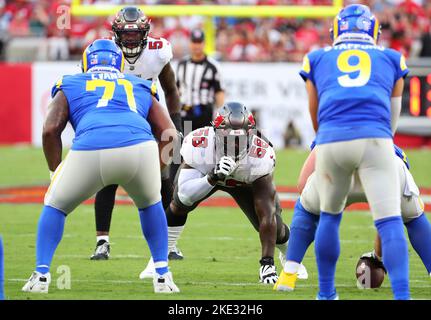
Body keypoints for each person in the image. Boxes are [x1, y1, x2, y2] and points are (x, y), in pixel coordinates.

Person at [21, 39, 179, 294]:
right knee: (150, 205)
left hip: (91, 147)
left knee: (55, 205)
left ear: (86, 62)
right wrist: (159, 170)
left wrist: (54, 172)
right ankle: (162, 275)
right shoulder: (139, 83)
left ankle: (41, 275)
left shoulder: (71, 82)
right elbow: (170, 132)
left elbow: (51, 129)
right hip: (140, 149)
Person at [290, 4, 410, 300]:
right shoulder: (392, 58)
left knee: (330, 217)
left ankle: (327, 294)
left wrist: (325, 136)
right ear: (373, 31)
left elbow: (314, 110)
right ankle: (403, 296)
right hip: (376, 140)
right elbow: (392, 118)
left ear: (337, 30)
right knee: (390, 221)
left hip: (332, 139)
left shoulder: (317, 57)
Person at [139, 102, 307, 284]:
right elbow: (184, 195)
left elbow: (267, 213)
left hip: (244, 182)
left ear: (252, 135)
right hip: (209, 173)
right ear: (216, 133)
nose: (235, 145)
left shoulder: (261, 154)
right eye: (229, 139)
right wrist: (212, 178)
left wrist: (267, 263)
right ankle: (159, 259)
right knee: (179, 204)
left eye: (241, 139)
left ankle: (289, 257)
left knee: (276, 226)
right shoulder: (200, 143)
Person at [91, 6, 182, 261]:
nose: (130, 40)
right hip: (114, 115)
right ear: (116, 34)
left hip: (146, 111)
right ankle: (102, 242)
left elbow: (171, 90)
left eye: (135, 35)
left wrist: (174, 124)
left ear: (145, 32)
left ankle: (170, 243)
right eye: (126, 35)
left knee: (163, 178)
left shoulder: (158, 51)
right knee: (108, 175)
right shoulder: (103, 50)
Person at [274, 144, 431, 292]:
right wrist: (378, 257)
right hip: (386, 163)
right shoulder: (387, 135)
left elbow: (302, 185)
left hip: (337, 164)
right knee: (413, 219)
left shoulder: (333, 123)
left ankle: (289, 275)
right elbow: (388, 218)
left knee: (307, 211)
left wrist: (320, 204)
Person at [166, 28, 225, 259]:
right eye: (194, 42)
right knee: (177, 155)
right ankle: (171, 186)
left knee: (204, 158)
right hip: (186, 116)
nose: (197, 46)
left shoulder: (213, 66)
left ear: (203, 44)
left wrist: (219, 113)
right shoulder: (181, 66)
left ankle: (197, 184)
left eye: (200, 42)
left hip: (204, 115)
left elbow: (219, 93)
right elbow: (174, 90)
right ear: (191, 43)